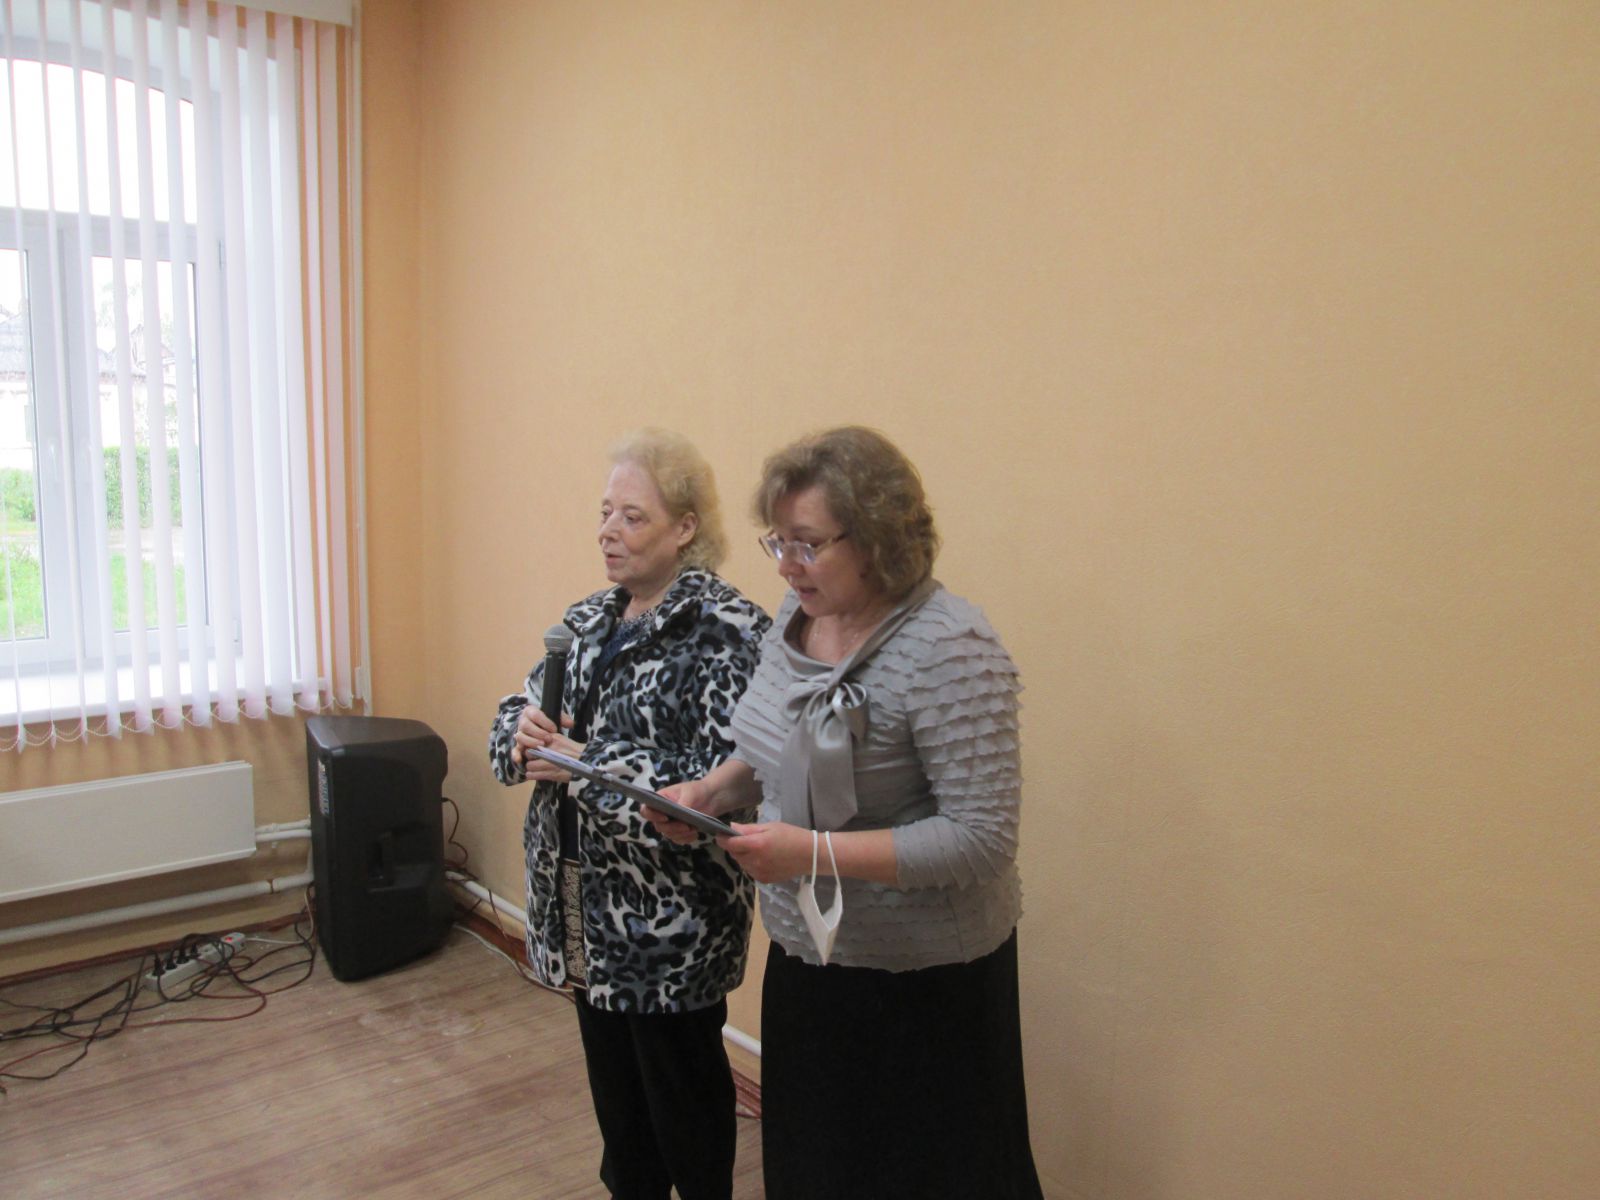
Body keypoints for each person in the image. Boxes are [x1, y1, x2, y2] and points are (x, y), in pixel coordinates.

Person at [647, 425, 1043, 1200]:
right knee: (817, 1169)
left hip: (925, 984)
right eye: (778, 542)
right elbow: (775, 755)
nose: (786, 565)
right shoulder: (796, 619)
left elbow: (981, 839)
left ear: (878, 539)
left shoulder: (950, 649)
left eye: (807, 543)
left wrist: (812, 853)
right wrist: (709, 794)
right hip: (811, 958)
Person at [488, 428, 770, 1200]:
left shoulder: (727, 631)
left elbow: (730, 782)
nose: (608, 531)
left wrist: (586, 766)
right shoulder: (586, 621)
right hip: (583, 908)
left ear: (686, 527)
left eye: (632, 516)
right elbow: (518, 710)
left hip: (670, 929)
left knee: (686, 1115)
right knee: (621, 1117)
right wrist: (519, 731)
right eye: (605, 512)